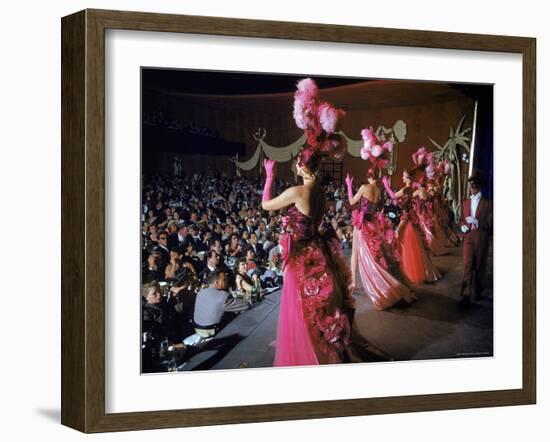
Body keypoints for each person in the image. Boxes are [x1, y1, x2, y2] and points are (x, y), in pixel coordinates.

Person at [262, 152, 388, 366]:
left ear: (302, 167)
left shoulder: (298, 191)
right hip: (318, 251)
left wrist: (269, 177)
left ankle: (304, 348)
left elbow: (266, 204)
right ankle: (314, 342)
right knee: (318, 307)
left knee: (301, 305)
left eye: (296, 164)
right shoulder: (319, 191)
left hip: (301, 256)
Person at [346, 170, 415, 310]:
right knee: (375, 254)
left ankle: (354, 282)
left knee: (356, 253)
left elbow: (352, 201)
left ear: (368, 176)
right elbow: (378, 209)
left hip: (361, 224)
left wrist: (348, 185)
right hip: (373, 224)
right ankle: (355, 281)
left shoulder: (364, 188)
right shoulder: (379, 190)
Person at [383, 169, 441, 284]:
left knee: (399, 237)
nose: (402, 178)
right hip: (409, 216)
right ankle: (413, 269)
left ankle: (402, 267)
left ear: (408, 178)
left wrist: (386, 185)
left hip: (406, 217)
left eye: (403, 176)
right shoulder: (410, 189)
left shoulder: (406, 188)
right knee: (412, 243)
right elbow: (399, 202)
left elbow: (393, 196)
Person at [459, 171, 493, 305]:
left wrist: (478, 222)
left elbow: (491, 224)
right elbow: (462, 219)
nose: (471, 187)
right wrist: (462, 226)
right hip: (468, 237)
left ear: (479, 186)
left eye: (474, 185)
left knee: (479, 265)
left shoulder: (488, 204)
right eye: (471, 185)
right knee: (467, 265)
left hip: (481, 236)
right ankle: (465, 295)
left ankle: (478, 290)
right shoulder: (465, 202)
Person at [192, 269, 250, 338]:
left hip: (198, 329)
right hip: (213, 331)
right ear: (217, 282)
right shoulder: (223, 296)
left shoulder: (200, 292)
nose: (227, 280)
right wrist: (240, 288)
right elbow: (245, 305)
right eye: (224, 279)